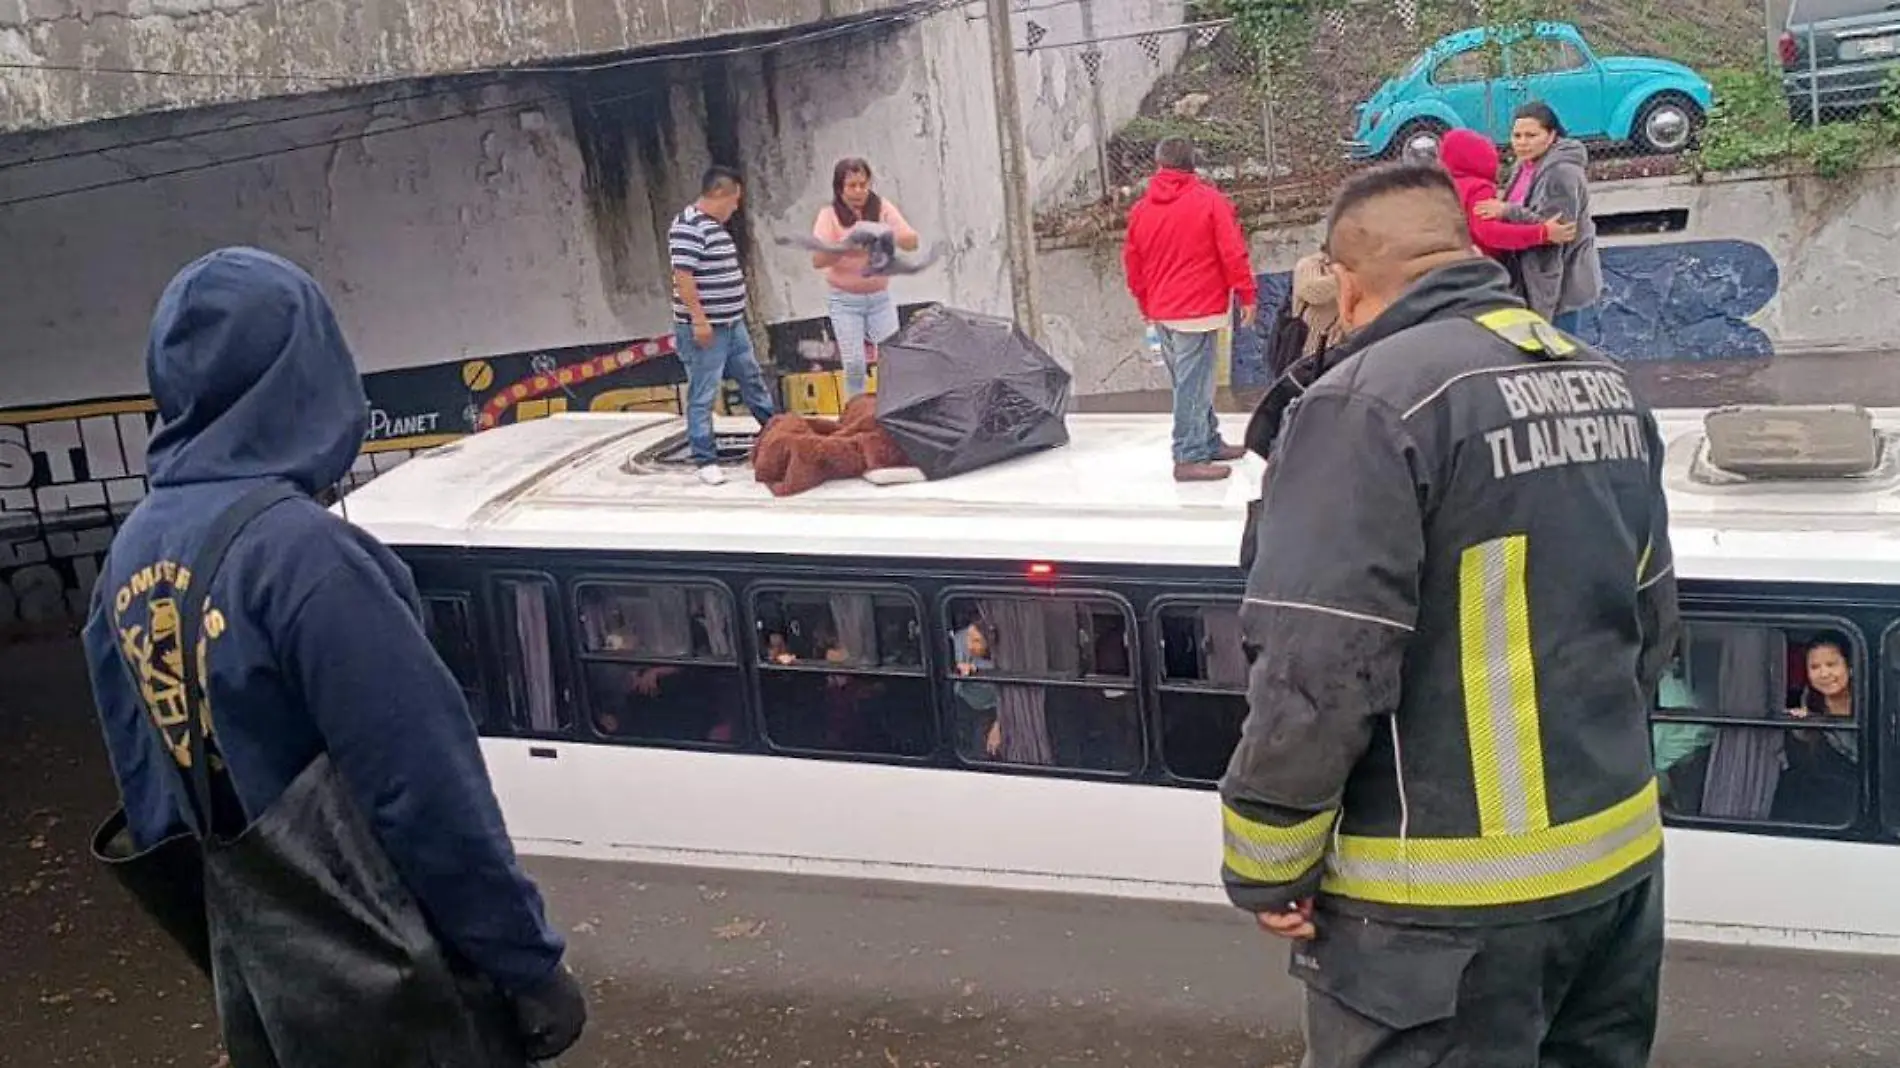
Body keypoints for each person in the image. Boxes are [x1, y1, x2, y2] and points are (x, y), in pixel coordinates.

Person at [1221, 164, 1680, 1067]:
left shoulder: (1365, 403)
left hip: (1442, 925)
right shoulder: (1606, 383)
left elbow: (1318, 665)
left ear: (1345, 284)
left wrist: (1270, 863)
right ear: (1465, 251)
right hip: (1616, 879)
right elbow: (1654, 628)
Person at [82, 248, 586, 1064]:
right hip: (400, 993)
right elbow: (423, 787)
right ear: (305, 369)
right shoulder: (306, 557)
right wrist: (524, 961)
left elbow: (151, 806)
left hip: (269, 995)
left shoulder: (127, 558)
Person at [1122, 135, 1259, 482]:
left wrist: (1144, 303)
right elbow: (1232, 251)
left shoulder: (1142, 209)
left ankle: (1208, 439)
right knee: (1194, 385)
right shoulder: (1209, 202)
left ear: (1159, 164)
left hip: (1162, 309)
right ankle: (1188, 454)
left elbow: (1133, 261)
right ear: (1192, 164)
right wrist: (1246, 294)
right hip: (1198, 309)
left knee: (1189, 382)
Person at [670, 165, 777, 485]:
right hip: (708, 327)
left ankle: (774, 432)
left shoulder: (714, 226)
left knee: (752, 379)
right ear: (718, 194)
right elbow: (683, 277)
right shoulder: (688, 225)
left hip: (732, 323)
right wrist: (699, 320)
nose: (735, 208)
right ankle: (704, 458)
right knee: (703, 392)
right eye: (734, 200)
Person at [809, 157, 922, 400]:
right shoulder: (828, 215)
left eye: (863, 184)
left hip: (880, 298)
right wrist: (847, 244)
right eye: (852, 186)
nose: (859, 191)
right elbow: (818, 260)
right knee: (855, 365)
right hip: (845, 300)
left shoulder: (882, 208)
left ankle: (894, 408)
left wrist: (886, 234)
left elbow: (912, 241)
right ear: (840, 189)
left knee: (893, 359)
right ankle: (855, 412)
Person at [1485, 101, 1602, 332]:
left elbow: (1560, 230)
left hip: (1561, 285)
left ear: (1551, 136)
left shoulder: (1561, 172)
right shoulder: (1524, 165)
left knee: (1561, 354)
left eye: (1531, 135)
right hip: (1533, 278)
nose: (1522, 142)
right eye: (1517, 135)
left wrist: (1507, 211)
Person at [1437, 127, 1578, 260]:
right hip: (1482, 268)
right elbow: (1489, 233)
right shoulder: (1477, 189)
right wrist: (1541, 233)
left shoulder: (1442, 186)